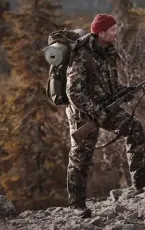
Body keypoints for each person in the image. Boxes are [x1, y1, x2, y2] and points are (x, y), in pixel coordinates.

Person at [65, 14, 145, 218]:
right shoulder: (82, 56)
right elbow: (74, 93)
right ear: (101, 33)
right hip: (84, 114)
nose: (116, 33)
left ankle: (140, 185)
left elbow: (110, 83)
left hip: (106, 107)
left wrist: (124, 92)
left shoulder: (108, 52)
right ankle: (77, 205)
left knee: (135, 129)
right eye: (112, 30)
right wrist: (97, 112)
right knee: (80, 157)